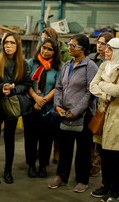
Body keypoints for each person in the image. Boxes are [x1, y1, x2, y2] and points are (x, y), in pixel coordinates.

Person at [47, 34, 98, 193]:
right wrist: (57, 106)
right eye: (69, 44)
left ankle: (82, 180)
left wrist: (76, 111)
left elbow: (91, 93)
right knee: (65, 147)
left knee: (83, 149)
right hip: (64, 113)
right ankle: (61, 176)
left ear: (83, 49)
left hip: (83, 115)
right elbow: (59, 88)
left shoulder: (90, 67)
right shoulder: (66, 65)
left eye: (73, 45)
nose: (69, 48)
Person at [89, 38, 119, 202]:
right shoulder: (103, 65)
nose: (105, 52)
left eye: (109, 49)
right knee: (104, 152)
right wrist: (106, 92)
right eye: (106, 49)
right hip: (103, 112)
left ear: (118, 51)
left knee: (117, 154)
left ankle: (116, 190)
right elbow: (92, 85)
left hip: (118, 116)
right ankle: (106, 185)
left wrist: (103, 86)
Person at [0, 32, 31, 185]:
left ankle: (8, 171)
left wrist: (14, 89)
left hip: (12, 107)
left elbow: (27, 85)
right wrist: (0, 87)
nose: (8, 46)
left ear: (17, 46)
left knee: (9, 139)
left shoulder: (23, 64)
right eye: (6, 43)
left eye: (12, 43)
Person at [23, 37, 62, 178]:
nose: (45, 51)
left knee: (46, 139)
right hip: (31, 105)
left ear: (55, 52)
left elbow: (58, 87)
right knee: (30, 138)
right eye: (44, 48)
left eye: (50, 49)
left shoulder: (58, 67)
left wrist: (44, 100)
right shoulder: (31, 63)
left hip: (48, 109)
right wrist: (36, 98)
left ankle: (43, 165)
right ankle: (31, 164)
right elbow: (26, 83)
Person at [40, 27, 71, 165]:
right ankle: (42, 153)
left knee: (57, 130)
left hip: (59, 97)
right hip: (43, 98)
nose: (43, 40)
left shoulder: (64, 54)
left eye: (45, 37)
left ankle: (56, 152)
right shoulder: (42, 53)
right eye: (42, 38)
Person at [88, 32, 114, 177]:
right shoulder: (91, 58)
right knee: (91, 132)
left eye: (103, 43)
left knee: (100, 133)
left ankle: (97, 161)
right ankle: (91, 159)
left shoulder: (111, 63)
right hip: (90, 99)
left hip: (103, 100)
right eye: (98, 42)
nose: (99, 45)